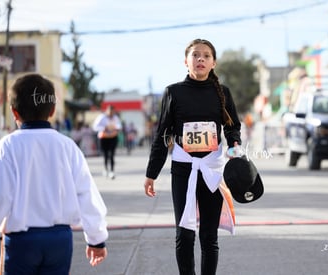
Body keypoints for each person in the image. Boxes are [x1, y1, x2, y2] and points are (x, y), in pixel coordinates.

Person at [0, 74, 108, 274]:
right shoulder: (67, 146)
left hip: (22, 241)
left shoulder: (9, 145)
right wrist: (97, 239)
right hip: (60, 239)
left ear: (14, 112)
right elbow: (86, 194)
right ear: (52, 111)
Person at [144, 39, 242, 275]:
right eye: (195, 55)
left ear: (213, 63)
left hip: (212, 169)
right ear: (185, 61)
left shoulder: (223, 93)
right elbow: (163, 134)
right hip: (184, 169)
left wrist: (234, 146)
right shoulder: (173, 92)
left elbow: (232, 127)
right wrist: (151, 174)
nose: (201, 59)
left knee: (209, 235)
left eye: (206, 56)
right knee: (184, 234)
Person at [92, 105, 122, 179]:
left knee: (112, 154)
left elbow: (119, 126)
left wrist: (115, 127)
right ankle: (106, 169)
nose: (111, 113)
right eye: (110, 111)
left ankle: (112, 171)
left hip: (113, 137)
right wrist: (104, 128)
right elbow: (95, 127)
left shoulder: (115, 118)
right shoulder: (101, 117)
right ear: (107, 111)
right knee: (105, 155)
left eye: (113, 112)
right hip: (104, 138)